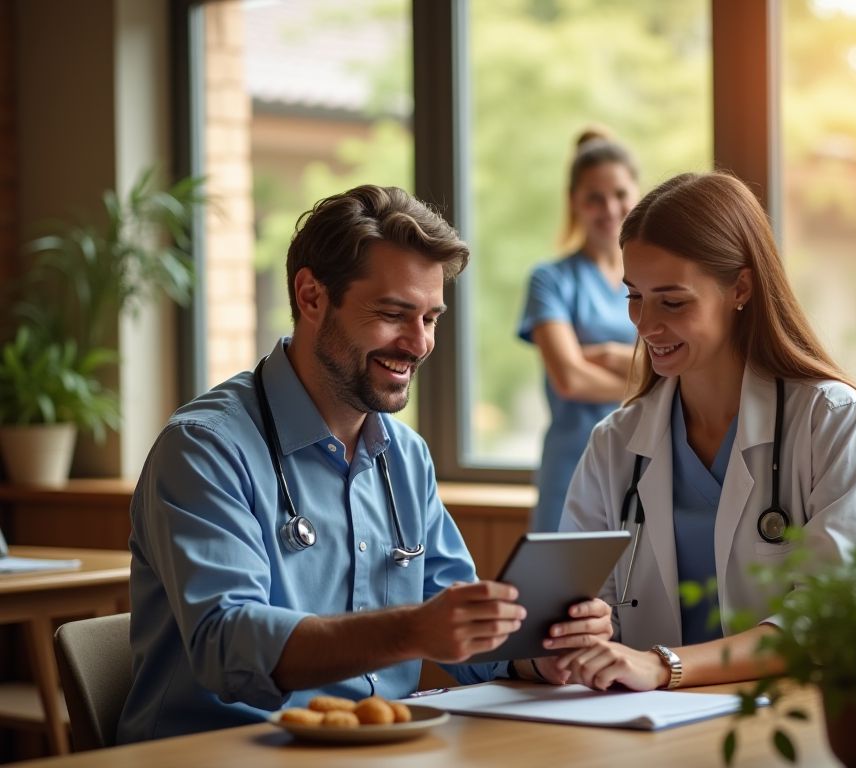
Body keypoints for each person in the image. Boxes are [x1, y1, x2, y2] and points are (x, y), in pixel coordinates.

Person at [118, 185, 611, 743]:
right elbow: (227, 645)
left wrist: (534, 652)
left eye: (431, 318)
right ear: (311, 297)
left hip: (372, 751)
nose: (419, 343)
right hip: (216, 754)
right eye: (394, 314)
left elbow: (462, 633)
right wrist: (411, 631)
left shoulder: (405, 457)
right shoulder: (205, 449)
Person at [553, 171, 856, 691]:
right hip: (648, 727)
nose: (645, 325)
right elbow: (582, 613)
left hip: (790, 719)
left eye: (672, 301)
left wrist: (663, 666)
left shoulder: (828, 419)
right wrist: (577, 633)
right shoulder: (615, 442)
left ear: (740, 287)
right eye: (634, 297)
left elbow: (835, 614)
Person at [518, 128, 641, 532]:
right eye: (594, 197)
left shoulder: (656, 280)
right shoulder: (549, 279)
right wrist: (648, 378)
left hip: (645, 459)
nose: (610, 208)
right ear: (574, 202)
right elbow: (569, 378)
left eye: (620, 194)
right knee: (562, 589)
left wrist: (608, 356)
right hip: (572, 464)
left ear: (637, 194)